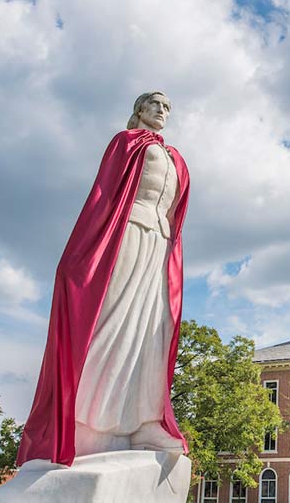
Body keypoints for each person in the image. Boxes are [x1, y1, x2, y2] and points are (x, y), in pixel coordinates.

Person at [17, 92, 190, 466]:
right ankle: (90, 419)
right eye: (155, 105)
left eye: (167, 107)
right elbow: (103, 196)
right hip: (127, 232)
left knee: (152, 329)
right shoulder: (126, 144)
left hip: (160, 244)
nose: (162, 111)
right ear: (139, 111)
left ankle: (143, 420)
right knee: (114, 316)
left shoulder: (176, 158)